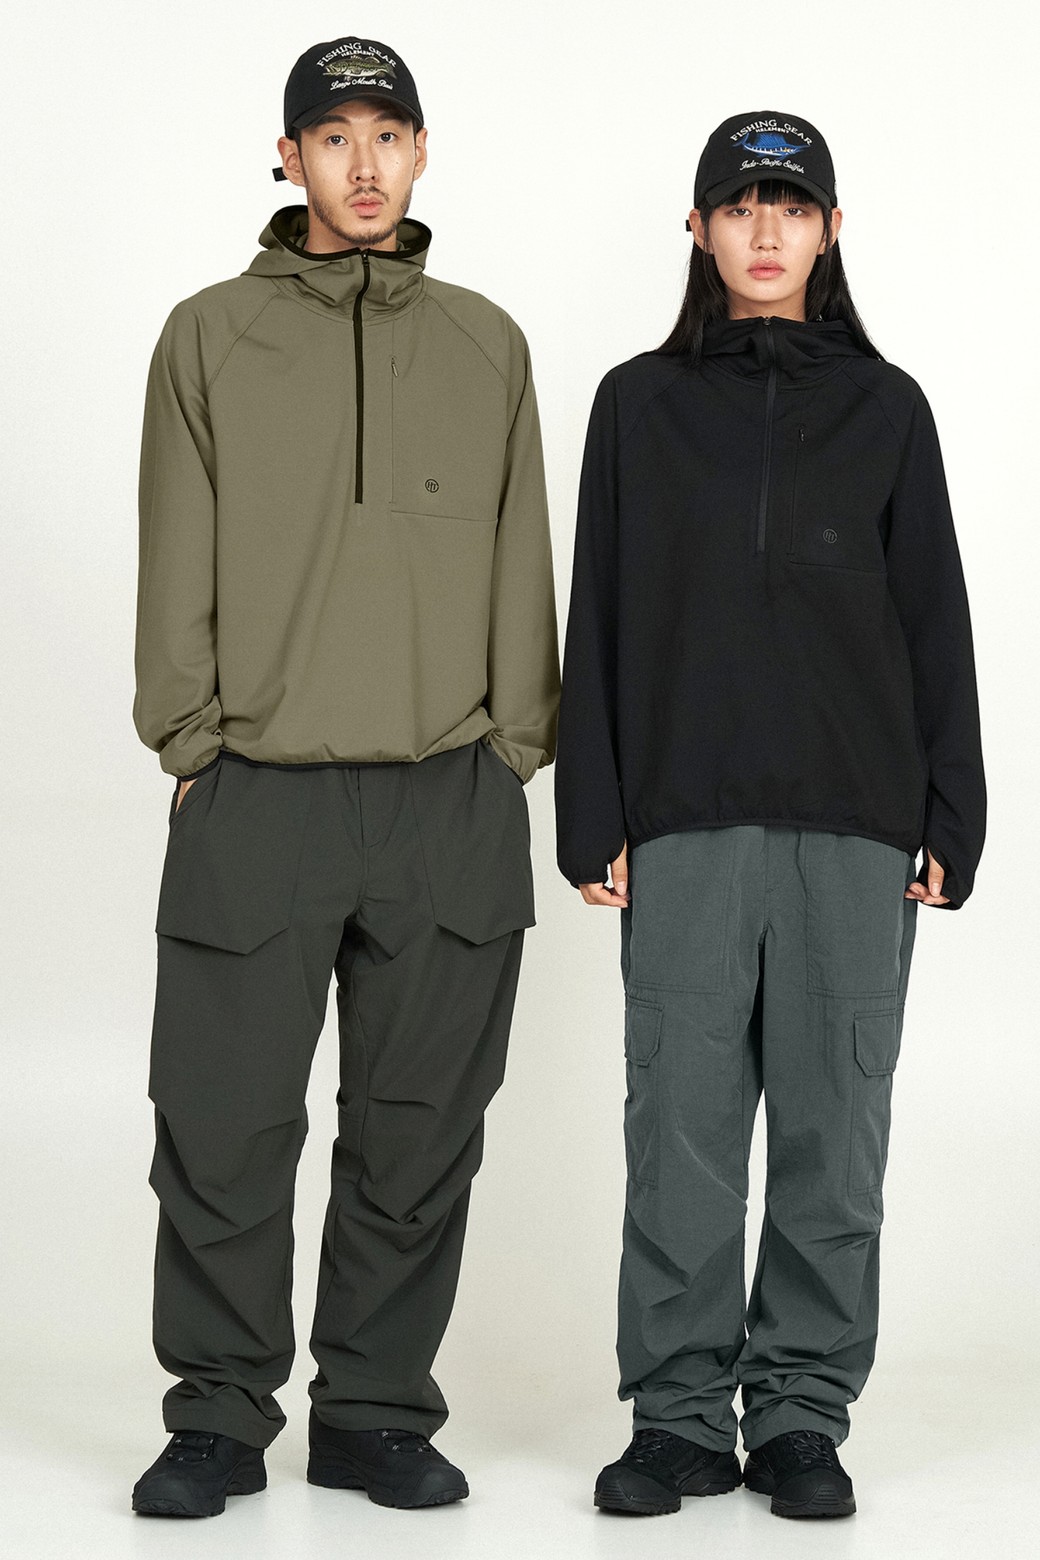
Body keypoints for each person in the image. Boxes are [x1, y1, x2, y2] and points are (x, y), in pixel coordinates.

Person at [130, 35, 559, 1518]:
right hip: (261, 787)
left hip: (448, 792)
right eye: (334, 137)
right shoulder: (207, 336)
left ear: (424, 153)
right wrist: (193, 744)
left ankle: (374, 1410)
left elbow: (523, 558)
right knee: (223, 1125)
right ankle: (217, 1415)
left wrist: (513, 754)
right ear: (288, 156)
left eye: (389, 135)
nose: (364, 165)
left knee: (418, 1132)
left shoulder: (487, 344)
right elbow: (173, 554)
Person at [555, 110, 985, 1521]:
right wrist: (592, 804)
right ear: (697, 229)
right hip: (684, 816)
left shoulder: (889, 409)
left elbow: (934, 615)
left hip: (855, 824)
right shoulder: (637, 406)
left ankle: (801, 1412)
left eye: (790, 208)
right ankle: (678, 1418)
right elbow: (600, 612)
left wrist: (953, 805)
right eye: (738, 207)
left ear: (830, 231)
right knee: (678, 1132)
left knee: (831, 1136)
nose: (763, 232)